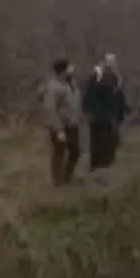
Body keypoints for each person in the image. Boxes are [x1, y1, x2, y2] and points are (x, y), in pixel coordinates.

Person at [82, 53, 129, 172]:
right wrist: (87, 110)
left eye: (113, 61)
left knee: (110, 140)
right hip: (97, 114)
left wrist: (124, 108)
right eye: (109, 61)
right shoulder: (96, 75)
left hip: (109, 114)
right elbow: (88, 93)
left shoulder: (115, 77)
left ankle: (106, 164)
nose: (111, 64)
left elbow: (118, 95)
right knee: (97, 140)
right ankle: (96, 165)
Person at [42, 57, 82, 186]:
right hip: (60, 125)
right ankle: (58, 182)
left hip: (72, 124)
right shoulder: (53, 86)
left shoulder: (72, 84)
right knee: (59, 153)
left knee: (75, 151)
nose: (72, 69)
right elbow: (50, 108)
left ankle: (67, 176)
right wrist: (58, 129)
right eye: (69, 67)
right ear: (62, 70)